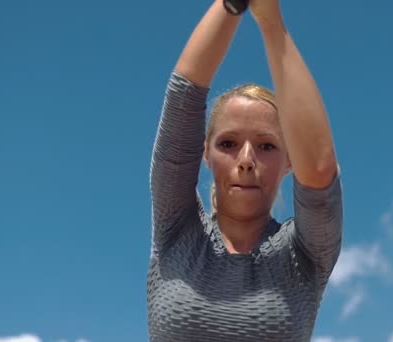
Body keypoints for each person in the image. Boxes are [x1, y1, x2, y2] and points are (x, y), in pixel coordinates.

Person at [147, 0, 343, 340]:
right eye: (228, 144)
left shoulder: (304, 253)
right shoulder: (177, 230)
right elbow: (183, 96)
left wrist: (271, 22)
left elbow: (321, 172)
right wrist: (233, 3)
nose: (247, 158)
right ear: (205, 153)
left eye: (266, 146)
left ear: (289, 161)